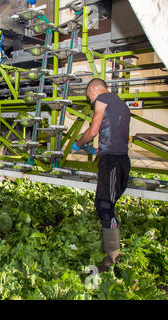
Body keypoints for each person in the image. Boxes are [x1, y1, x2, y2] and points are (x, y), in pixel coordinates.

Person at [71, 78, 131, 272]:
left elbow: (93, 130)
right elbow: (113, 134)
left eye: (90, 96)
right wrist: (98, 150)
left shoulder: (103, 98)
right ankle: (111, 253)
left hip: (112, 162)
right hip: (119, 159)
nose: (91, 101)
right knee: (107, 205)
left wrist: (78, 144)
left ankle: (112, 258)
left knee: (105, 207)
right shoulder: (121, 104)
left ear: (94, 89)